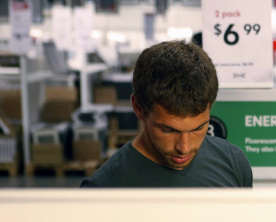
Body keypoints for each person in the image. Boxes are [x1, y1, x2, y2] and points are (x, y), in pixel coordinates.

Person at [81, 40, 252, 188]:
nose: (184, 148)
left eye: (198, 128)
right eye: (169, 130)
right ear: (138, 108)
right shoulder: (103, 189)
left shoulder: (233, 163)